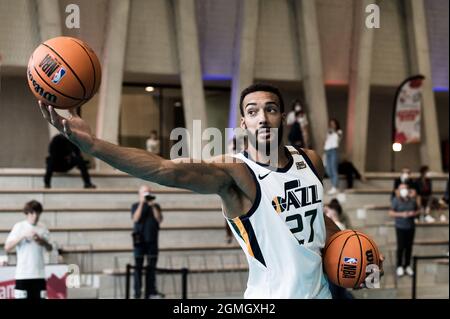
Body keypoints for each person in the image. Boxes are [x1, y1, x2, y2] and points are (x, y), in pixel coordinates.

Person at [38, 83, 383, 298]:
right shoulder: (235, 172)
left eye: (271, 109)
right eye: (252, 111)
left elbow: (318, 217)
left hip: (324, 293)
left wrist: (356, 255)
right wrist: (94, 145)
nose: (262, 117)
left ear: (283, 118)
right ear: (243, 122)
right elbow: (164, 170)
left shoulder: (311, 160)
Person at [4, 200, 52, 299]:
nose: (35, 216)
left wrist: (41, 240)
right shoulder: (19, 227)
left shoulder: (43, 228)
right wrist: (22, 236)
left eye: (37, 213)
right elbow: (7, 247)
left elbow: (50, 248)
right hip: (23, 274)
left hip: (39, 274)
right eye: (32, 213)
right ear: (27, 213)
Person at [131, 185, 164, 299]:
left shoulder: (156, 206)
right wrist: (141, 203)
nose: (147, 194)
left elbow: (159, 219)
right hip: (139, 240)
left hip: (152, 240)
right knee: (137, 267)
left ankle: (151, 291)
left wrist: (153, 205)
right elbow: (135, 218)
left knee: (152, 267)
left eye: (148, 192)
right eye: (144, 192)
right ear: (139, 194)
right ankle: (137, 293)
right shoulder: (135, 205)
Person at [389, 183, 420, 277]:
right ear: (398, 190)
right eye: (401, 188)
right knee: (401, 247)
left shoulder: (412, 200)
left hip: (411, 227)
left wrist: (413, 213)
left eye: (405, 188)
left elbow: (418, 210)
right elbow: (390, 213)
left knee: (409, 247)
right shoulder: (395, 200)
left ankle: (407, 265)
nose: (404, 190)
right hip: (400, 227)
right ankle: (399, 266)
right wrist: (402, 214)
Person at [324, 119, 343, 195]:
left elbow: (338, 137)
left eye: (333, 124)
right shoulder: (329, 132)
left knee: (334, 169)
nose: (332, 125)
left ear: (336, 124)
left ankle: (334, 187)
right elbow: (326, 142)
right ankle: (335, 187)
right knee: (328, 170)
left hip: (333, 151)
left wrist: (333, 130)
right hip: (327, 151)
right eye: (331, 124)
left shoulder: (339, 131)